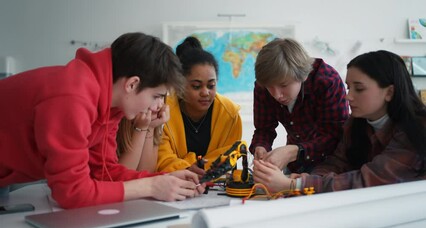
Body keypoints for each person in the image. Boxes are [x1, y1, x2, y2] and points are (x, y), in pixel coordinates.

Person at [0, 32, 205, 209]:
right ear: (133, 84)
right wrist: (151, 187)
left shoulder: (109, 105)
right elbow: (72, 193)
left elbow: (104, 174)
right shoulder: (73, 97)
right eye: (157, 96)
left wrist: (163, 180)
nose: (158, 106)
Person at [253, 50, 426, 193]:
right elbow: (336, 163)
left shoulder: (417, 129)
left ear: (389, 92)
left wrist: (295, 185)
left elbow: (368, 179)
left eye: (359, 88)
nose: (347, 96)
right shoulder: (355, 124)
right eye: (349, 87)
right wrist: (301, 179)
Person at [250, 38, 349, 173]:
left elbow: (334, 136)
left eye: (283, 85)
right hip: (295, 163)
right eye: (269, 87)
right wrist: (261, 147)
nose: (276, 95)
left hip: (331, 163)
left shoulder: (327, 81)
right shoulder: (263, 85)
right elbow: (264, 129)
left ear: (303, 75)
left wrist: (292, 152)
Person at [156, 36, 242, 175]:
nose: (205, 92)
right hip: (175, 182)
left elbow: (227, 156)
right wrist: (187, 168)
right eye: (196, 86)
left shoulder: (230, 114)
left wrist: (192, 166)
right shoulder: (163, 110)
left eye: (211, 85)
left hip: (215, 187)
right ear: (180, 86)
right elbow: (162, 157)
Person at [116, 104, 168, 172]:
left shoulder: (155, 119)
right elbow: (121, 175)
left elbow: (147, 172)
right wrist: (141, 129)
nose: (159, 106)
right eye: (154, 97)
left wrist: (150, 127)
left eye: (162, 97)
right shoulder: (115, 120)